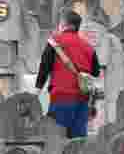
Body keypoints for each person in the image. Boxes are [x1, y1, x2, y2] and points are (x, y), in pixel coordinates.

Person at [35, 9, 102, 139]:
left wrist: (35, 94)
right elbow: (95, 72)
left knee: (56, 139)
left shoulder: (54, 42)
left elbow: (44, 68)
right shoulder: (88, 47)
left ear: (63, 24)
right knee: (78, 142)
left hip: (61, 98)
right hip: (82, 100)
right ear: (78, 26)